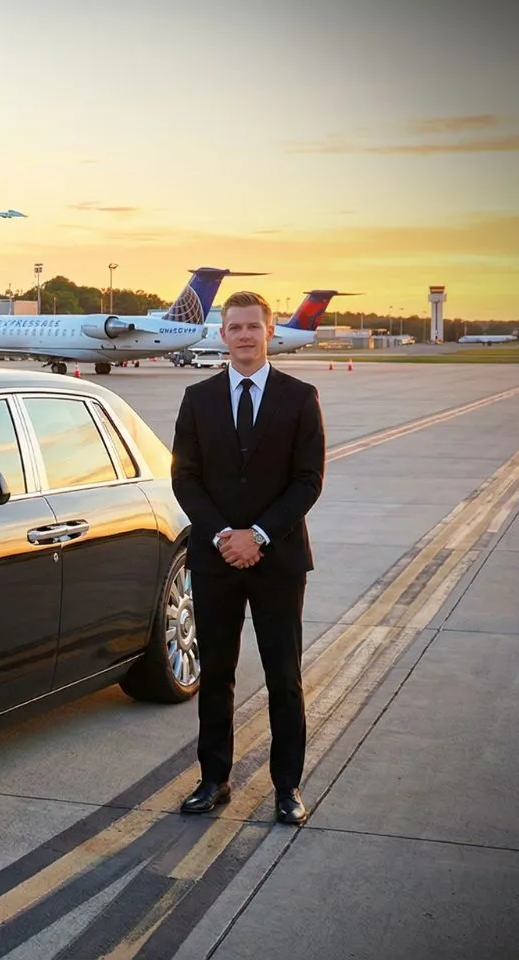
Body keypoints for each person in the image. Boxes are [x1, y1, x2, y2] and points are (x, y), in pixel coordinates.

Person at [170, 290, 326, 825]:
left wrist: (257, 534)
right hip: (215, 561)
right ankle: (213, 779)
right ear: (222, 334)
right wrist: (222, 537)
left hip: (278, 560)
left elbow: (309, 481)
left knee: (284, 676)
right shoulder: (197, 398)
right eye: (233, 327)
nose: (242, 336)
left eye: (252, 327)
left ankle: (288, 787)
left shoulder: (300, 397)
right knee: (216, 672)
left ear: (269, 331)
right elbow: (184, 478)